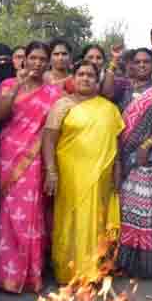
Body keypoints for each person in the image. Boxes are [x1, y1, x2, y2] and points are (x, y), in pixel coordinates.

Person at [43, 60, 124, 284]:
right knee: (69, 220)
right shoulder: (62, 105)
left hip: (101, 176)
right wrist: (50, 171)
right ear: (73, 77)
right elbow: (48, 139)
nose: (85, 78)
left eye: (90, 75)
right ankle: (68, 272)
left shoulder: (109, 108)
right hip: (70, 174)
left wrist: (118, 169)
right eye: (81, 74)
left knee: (97, 221)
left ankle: (93, 272)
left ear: (97, 80)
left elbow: (116, 143)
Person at [0, 41, 62, 293]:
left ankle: (28, 275)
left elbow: (53, 129)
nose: (37, 63)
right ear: (24, 59)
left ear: (48, 62)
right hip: (8, 155)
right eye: (33, 58)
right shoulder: (7, 84)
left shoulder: (54, 93)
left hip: (34, 158)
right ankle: (6, 274)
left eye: (42, 59)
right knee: (6, 216)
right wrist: (18, 85)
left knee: (29, 216)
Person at [114, 48, 152, 279]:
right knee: (126, 210)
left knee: (146, 210)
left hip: (148, 159)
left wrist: (147, 144)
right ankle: (125, 264)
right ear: (130, 64)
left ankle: (145, 267)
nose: (141, 65)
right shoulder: (124, 91)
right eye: (137, 61)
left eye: (146, 61)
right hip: (124, 157)